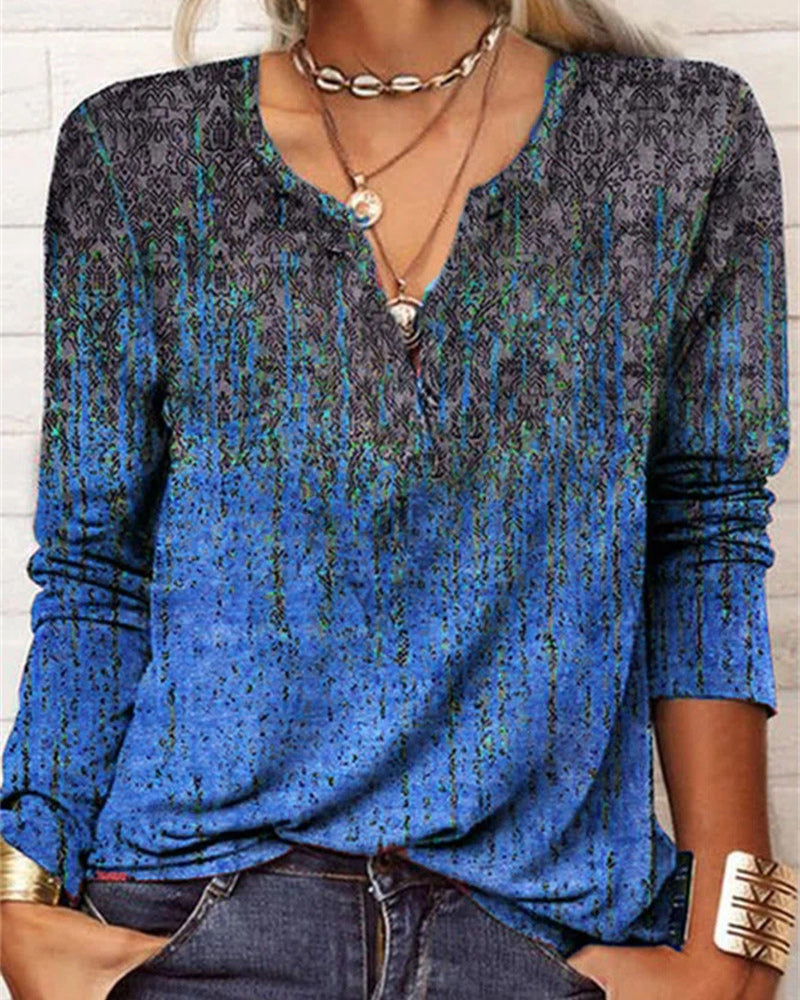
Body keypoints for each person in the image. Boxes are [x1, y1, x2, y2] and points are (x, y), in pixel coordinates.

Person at [0, 0, 796, 998]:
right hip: (196, 925)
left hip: (537, 934)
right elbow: (97, 571)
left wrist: (736, 946)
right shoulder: (139, 153)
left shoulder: (676, 138)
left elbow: (702, 538)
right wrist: (17, 899)